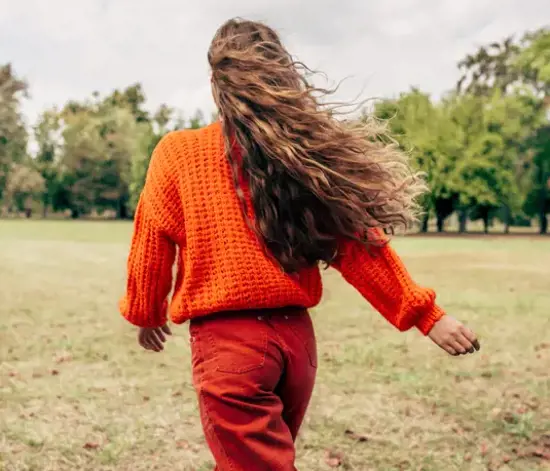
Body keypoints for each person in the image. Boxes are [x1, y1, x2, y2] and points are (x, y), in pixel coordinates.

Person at [119, 17, 480, 471]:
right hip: (295, 349)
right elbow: (358, 245)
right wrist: (428, 317)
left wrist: (145, 313)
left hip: (231, 354)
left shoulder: (177, 153)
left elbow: (152, 244)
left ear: (216, 83)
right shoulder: (300, 155)